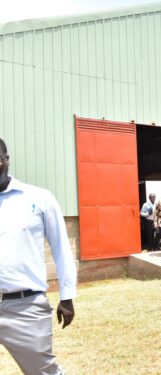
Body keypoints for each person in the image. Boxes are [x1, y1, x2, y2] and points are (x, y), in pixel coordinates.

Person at [0, 138, 78, 375]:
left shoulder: (38, 198)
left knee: (43, 372)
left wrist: (67, 296)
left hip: (24, 307)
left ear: (7, 160)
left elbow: (61, 248)